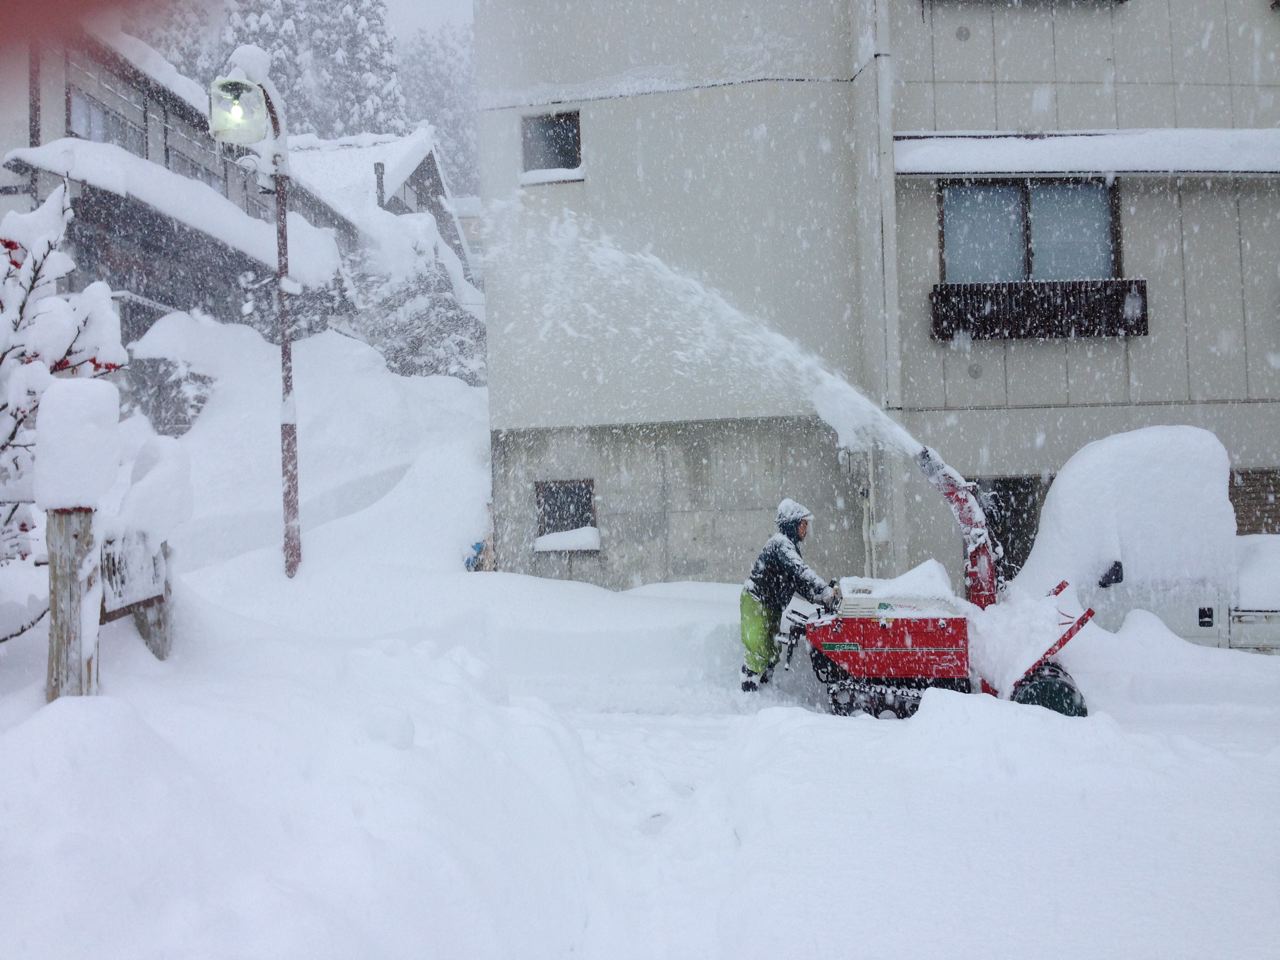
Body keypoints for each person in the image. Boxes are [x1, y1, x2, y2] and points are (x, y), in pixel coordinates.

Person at [740, 498, 840, 692]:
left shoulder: (790, 547)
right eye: (804, 524)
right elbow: (801, 571)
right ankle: (748, 693)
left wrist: (819, 597)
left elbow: (799, 583)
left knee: (772, 651)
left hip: (771, 605)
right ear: (792, 524)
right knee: (758, 648)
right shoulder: (780, 544)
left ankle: (764, 691)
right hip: (756, 601)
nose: (806, 529)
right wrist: (824, 590)